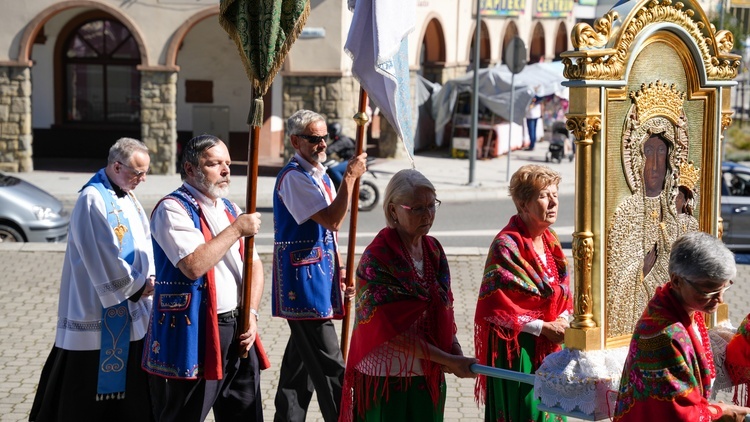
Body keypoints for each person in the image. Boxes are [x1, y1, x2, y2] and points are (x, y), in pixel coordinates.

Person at [30, 138, 157, 421]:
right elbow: (103, 256)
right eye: (138, 172)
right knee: (86, 381)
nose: (143, 179)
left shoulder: (127, 194)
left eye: (146, 172)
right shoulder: (93, 198)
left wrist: (150, 275)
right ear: (116, 166)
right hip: (96, 308)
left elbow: (143, 240)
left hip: (131, 301)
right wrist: (138, 286)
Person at [142, 135, 265, 422]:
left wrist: (253, 313)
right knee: (188, 411)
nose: (225, 171)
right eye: (214, 164)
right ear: (190, 169)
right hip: (199, 328)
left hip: (239, 323)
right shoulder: (172, 208)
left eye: (228, 164)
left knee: (245, 410)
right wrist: (236, 230)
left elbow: (255, 265)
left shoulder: (230, 208)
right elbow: (194, 265)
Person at [339, 169, 477, 422]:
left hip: (426, 372)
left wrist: (455, 352)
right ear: (393, 211)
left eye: (431, 205)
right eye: (416, 208)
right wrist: (447, 358)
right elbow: (390, 332)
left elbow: (443, 307)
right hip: (385, 378)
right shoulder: (378, 258)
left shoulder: (433, 249)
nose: (427, 214)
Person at [272, 109, 367, 422]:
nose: (323, 144)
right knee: (330, 365)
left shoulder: (318, 173)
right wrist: (350, 178)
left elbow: (329, 235)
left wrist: (338, 271)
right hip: (303, 285)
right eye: (314, 139)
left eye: (325, 137)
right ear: (295, 141)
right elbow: (331, 219)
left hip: (317, 279)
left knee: (298, 368)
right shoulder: (294, 178)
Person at [614, 231, 750, 421]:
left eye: (724, 287)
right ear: (677, 280)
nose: (719, 299)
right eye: (709, 290)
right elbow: (679, 414)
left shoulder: (683, 306)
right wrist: (721, 411)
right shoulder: (664, 337)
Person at [474, 164, 572, 422]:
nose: (552, 202)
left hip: (551, 346)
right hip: (518, 350)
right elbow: (496, 309)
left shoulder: (551, 240)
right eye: (542, 196)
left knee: (553, 412)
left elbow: (562, 291)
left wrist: (563, 319)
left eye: (555, 194)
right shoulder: (506, 246)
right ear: (523, 204)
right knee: (526, 411)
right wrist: (544, 327)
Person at [326, 122, 357, 187]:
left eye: (330, 132)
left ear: (335, 130)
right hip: (349, 160)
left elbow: (330, 149)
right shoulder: (339, 139)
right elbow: (329, 147)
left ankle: (344, 187)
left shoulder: (342, 140)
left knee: (334, 170)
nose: (329, 134)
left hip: (353, 161)